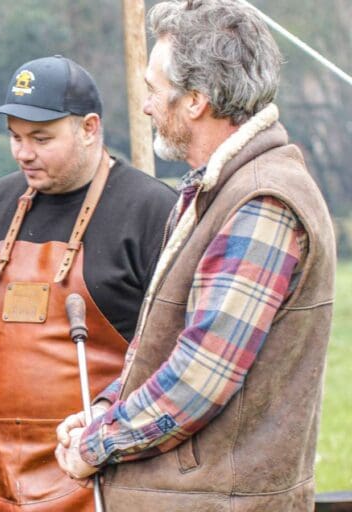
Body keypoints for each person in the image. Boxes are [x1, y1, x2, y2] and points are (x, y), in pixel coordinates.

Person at [54, 1, 337, 510]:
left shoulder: (262, 202)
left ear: (196, 101)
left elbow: (199, 378)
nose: (145, 106)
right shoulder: (220, 189)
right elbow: (165, 349)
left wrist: (98, 444)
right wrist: (105, 409)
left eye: (153, 90)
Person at [0, 55, 177, 511]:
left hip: (104, 475)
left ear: (89, 128)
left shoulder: (149, 211)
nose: (23, 153)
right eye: (14, 136)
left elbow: (174, 357)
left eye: (41, 138)